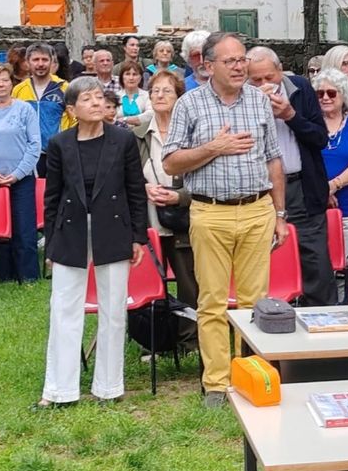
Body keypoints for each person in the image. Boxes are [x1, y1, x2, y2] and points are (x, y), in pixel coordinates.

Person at [163, 32, 288, 408]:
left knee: (254, 303)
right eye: (230, 61)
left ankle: (251, 374)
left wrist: (280, 214)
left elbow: (273, 159)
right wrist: (213, 148)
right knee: (212, 302)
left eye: (242, 59)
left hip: (257, 210)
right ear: (208, 66)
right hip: (210, 211)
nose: (239, 66)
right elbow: (171, 162)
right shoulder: (190, 103)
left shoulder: (259, 101)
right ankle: (216, 384)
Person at [37, 76, 147, 408]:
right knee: (64, 308)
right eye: (87, 99)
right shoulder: (59, 143)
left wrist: (137, 237)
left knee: (113, 309)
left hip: (113, 229)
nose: (97, 103)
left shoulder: (123, 140)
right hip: (70, 231)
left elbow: (135, 191)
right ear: (72, 110)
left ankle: (109, 387)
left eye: (99, 97)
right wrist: (51, 244)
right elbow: (52, 197)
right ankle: (59, 390)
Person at [246, 47, 335, 305]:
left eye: (269, 77)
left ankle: (320, 316)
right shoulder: (241, 98)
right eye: (256, 80)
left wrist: (290, 116)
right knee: (265, 258)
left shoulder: (300, 88)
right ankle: (269, 315)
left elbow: (320, 137)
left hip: (301, 186)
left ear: (280, 70)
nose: (264, 84)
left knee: (315, 259)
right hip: (262, 191)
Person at [133, 69, 198, 351]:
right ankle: (156, 340)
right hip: (149, 220)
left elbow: (205, 180)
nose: (160, 95)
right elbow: (126, 176)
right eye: (155, 91)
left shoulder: (192, 134)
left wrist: (178, 197)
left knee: (189, 283)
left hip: (184, 220)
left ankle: (190, 339)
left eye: (167, 91)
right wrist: (144, 188)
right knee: (150, 284)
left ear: (179, 97)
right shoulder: (137, 135)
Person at [0, 63, 40, 285]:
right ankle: (2, 276)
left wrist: (17, 173)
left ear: (12, 83)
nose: (1, 84)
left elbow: (34, 144)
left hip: (21, 178)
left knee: (24, 227)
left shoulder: (25, 109)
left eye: (5, 80)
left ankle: (28, 276)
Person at [313, 68, 348, 257]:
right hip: (315, 204)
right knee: (318, 261)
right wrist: (322, 191)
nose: (325, 98)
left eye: (331, 93)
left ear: (344, 95)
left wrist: (333, 185)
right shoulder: (310, 124)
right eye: (320, 93)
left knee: (346, 261)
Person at [11, 42, 73, 178]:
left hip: (58, 153)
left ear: (52, 62)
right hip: (27, 154)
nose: (40, 64)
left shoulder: (64, 88)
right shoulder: (18, 90)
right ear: (28, 62)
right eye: (35, 59)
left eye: (45, 59)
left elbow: (74, 120)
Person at [116, 62, 151, 126]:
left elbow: (150, 114)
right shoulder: (115, 96)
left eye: (135, 74)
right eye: (127, 74)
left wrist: (125, 119)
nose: (131, 78)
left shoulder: (147, 96)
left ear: (140, 78)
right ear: (122, 77)